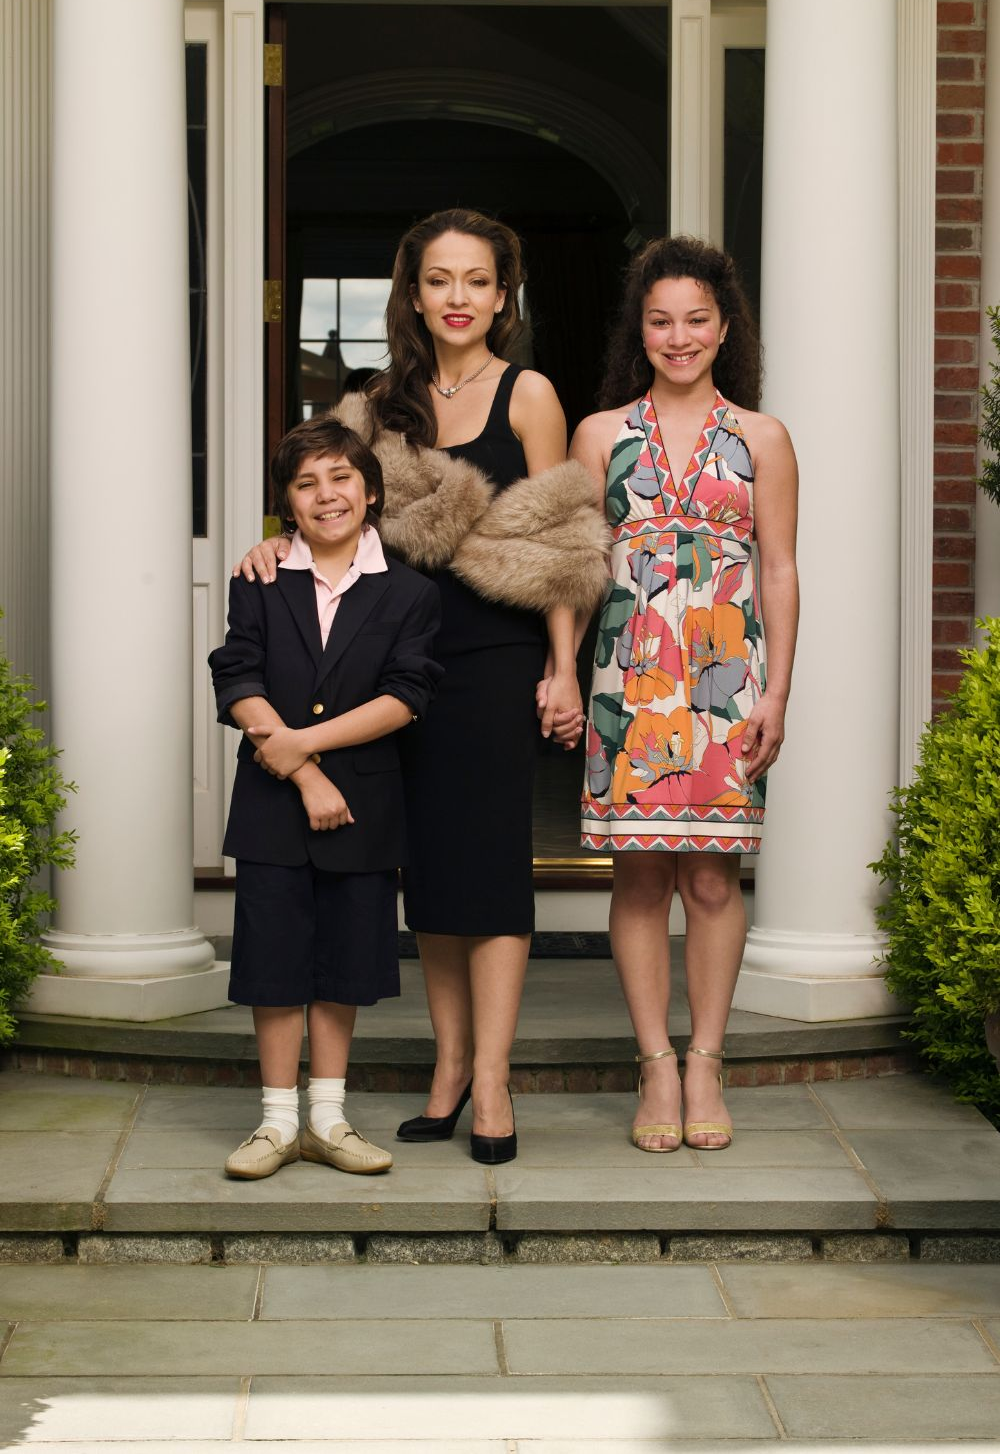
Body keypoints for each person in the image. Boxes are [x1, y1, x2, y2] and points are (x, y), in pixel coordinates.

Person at [236, 209, 608, 1163]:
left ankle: (493, 1082)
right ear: (412, 293)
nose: (457, 299)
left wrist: (562, 669)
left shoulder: (530, 395)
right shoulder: (372, 403)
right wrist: (273, 543)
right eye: (438, 280)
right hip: (381, 666)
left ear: (503, 296)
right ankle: (447, 1069)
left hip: (491, 662)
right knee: (424, 870)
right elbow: (325, 504)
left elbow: (562, 544)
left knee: (488, 869)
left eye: (476, 281)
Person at [572, 235, 799, 1152]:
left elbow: (779, 568)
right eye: (661, 321)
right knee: (639, 874)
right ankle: (654, 1067)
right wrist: (559, 668)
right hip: (627, 676)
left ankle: (706, 1058)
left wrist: (777, 692)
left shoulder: (762, 437)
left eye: (696, 319)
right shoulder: (599, 435)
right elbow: (573, 567)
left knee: (711, 875)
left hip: (727, 679)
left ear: (724, 326)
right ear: (642, 329)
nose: (678, 337)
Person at [210, 416, 442, 1179]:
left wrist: (307, 745)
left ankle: (328, 1119)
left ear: (370, 491)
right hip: (274, 805)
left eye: (341, 477)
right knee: (274, 963)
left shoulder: (408, 591)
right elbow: (237, 674)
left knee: (344, 963)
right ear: (287, 504)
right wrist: (303, 772)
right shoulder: (261, 577)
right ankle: (277, 1123)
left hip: (364, 808)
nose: (326, 494)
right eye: (306, 483)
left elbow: (405, 697)